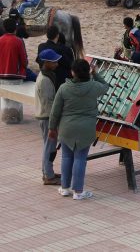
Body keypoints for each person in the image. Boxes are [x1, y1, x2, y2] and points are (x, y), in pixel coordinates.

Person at [48, 59, 109, 199]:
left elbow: (55, 111)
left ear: (72, 72)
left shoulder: (64, 88)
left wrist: (52, 128)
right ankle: (78, 191)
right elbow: (105, 86)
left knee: (66, 156)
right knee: (80, 159)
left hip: (66, 128)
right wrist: (96, 73)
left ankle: (64, 188)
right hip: (86, 128)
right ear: (87, 72)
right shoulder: (93, 87)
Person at [35, 49, 62, 185]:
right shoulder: (45, 80)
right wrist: (55, 121)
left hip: (45, 115)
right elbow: (50, 103)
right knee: (49, 147)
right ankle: (48, 175)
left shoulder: (45, 75)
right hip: (47, 117)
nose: (57, 64)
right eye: (54, 62)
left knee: (49, 145)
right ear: (46, 63)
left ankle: (48, 172)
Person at [36, 26, 74, 91]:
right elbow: (71, 65)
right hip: (60, 83)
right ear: (57, 35)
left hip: (43, 77)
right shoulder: (64, 49)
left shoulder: (41, 46)